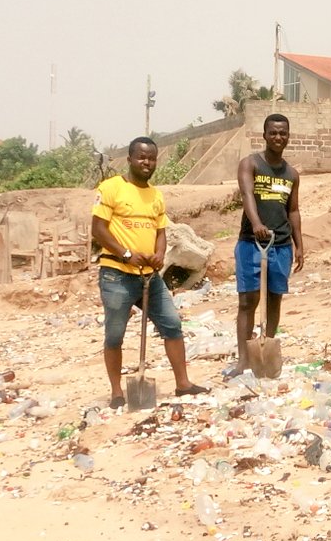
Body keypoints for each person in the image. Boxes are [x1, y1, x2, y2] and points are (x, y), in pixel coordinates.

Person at [91, 137, 209, 409]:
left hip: (149, 276)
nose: (147, 163)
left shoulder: (156, 196)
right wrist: (127, 254)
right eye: (142, 157)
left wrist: (159, 255)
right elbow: (98, 229)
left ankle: (183, 384)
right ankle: (117, 392)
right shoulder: (111, 188)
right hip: (117, 274)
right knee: (114, 334)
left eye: (152, 158)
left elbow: (161, 232)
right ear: (130, 159)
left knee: (171, 324)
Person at [228, 113, 304, 378]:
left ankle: (266, 353)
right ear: (264, 135)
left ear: (288, 136)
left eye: (283, 133)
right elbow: (247, 194)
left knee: (274, 299)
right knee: (248, 300)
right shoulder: (250, 164)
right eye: (273, 133)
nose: (278, 137)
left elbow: (293, 210)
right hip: (252, 243)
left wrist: (299, 244)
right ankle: (243, 360)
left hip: (281, 244)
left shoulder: (292, 174)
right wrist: (257, 223)